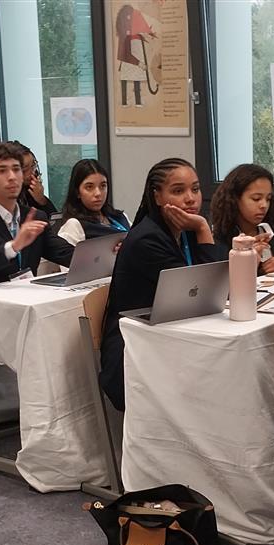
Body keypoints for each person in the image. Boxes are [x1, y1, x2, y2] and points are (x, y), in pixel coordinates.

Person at [99, 158, 230, 412]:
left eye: (195, 189)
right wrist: (203, 228)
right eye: (178, 191)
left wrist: (199, 229)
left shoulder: (184, 228)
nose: (191, 198)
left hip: (169, 335)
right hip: (135, 349)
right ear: (157, 196)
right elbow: (207, 293)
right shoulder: (148, 239)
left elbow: (216, 288)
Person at [0, 142, 74, 289]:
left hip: (28, 297)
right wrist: (13, 247)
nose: (12, 177)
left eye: (16, 169)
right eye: (2, 171)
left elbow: (64, 253)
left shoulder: (34, 216)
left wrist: (98, 256)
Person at [208, 163, 274, 273]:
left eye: (268, 199)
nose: (264, 205)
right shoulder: (220, 235)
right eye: (256, 199)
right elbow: (219, 278)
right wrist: (248, 260)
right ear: (234, 199)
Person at [56, 159, 130, 246]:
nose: (98, 193)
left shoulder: (121, 217)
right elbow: (68, 254)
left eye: (103, 186)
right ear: (77, 192)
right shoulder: (74, 225)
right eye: (89, 187)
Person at [11, 141, 58, 216]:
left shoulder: (31, 191)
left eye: (33, 165)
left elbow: (55, 219)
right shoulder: (8, 196)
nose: (33, 172)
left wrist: (42, 200)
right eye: (25, 169)